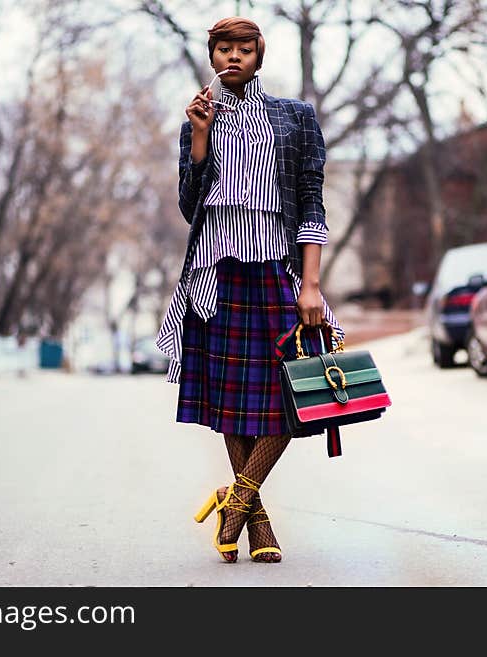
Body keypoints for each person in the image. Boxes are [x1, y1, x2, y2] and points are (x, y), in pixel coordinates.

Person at [155, 16, 345, 563]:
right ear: (211, 56)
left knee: (285, 400)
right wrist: (197, 138)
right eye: (223, 49)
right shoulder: (200, 119)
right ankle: (254, 519)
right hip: (214, 276)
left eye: (243, 48)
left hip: (275, 274)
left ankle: (233, 499)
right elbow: (191, 209)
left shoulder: (294, 118)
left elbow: (311, 199)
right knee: (231, 403)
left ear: (260, 55)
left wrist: (311, 285)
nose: (232, 57)